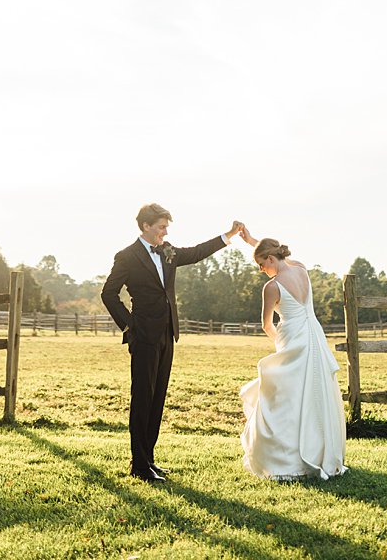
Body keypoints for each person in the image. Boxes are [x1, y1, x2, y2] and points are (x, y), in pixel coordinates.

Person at [101, 204, 243, 481]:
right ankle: (139, 466)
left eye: (166, 227)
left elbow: (197, 252)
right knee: (142, 399)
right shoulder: (127, 257)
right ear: (146, 226)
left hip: (167, 333)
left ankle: (149, 461)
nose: (165, 232)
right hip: (143, 336)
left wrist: (229, 235)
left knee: (157, 399)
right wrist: (130, 325)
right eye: (161, 227)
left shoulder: (167, 251)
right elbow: (108, 293)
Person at [237, 230, 348, 481]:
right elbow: (278, 255)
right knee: (316, 393)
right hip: (314, 338)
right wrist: (253, 242)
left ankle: (287, 459)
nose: (261, 270)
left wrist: (280, 342)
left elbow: (266, 324)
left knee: (286, 396)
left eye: (261, 264)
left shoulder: (272, 287)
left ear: (269, 259)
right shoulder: (302, 270)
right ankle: (322, 454)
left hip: (291, 339)